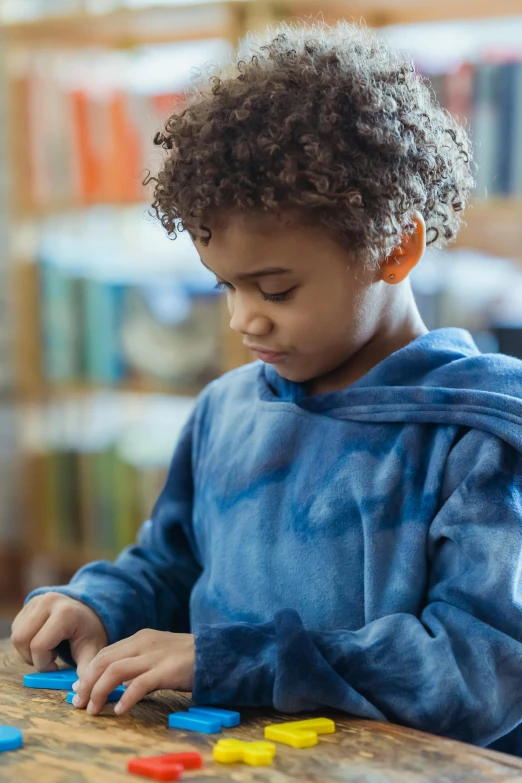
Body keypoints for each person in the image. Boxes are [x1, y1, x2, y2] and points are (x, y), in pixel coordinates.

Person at [11, 20, 522, 756]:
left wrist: (235, 659)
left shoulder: (479, 436)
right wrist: (97, 602)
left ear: (394, 247)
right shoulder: (227, 409)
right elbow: (172, 562)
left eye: (275, 288)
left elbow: (482, 670)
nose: (243, 318)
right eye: (226, 286)